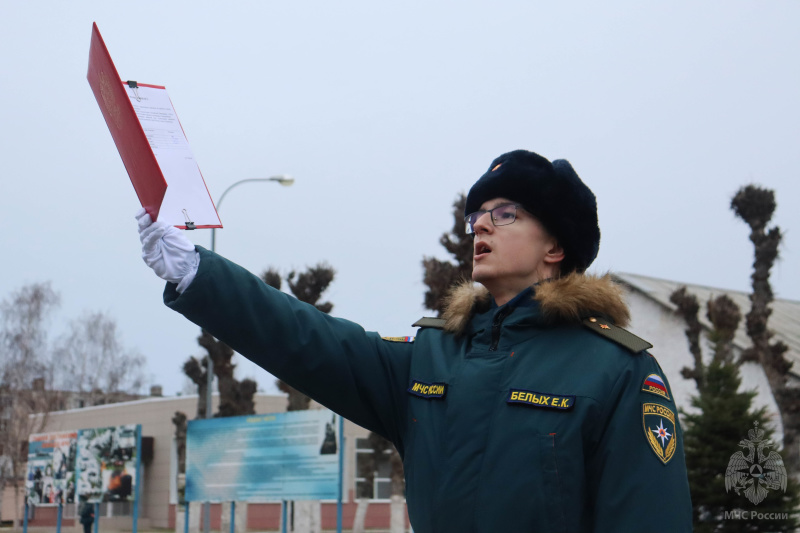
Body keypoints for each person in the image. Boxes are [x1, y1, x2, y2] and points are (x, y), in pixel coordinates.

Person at [136, 149, 692, 532]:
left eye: (506, 213)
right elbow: (307, 340)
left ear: (555, 246)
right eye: (477, 214)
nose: (480, 225)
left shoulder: (615, 372)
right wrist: (195, 273)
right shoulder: (432, 356)